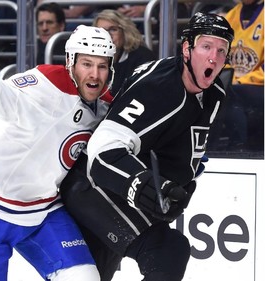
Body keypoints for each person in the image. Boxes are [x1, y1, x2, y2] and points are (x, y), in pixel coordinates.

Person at [0, 25, 116, 280]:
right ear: (71, 62)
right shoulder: (46, 85)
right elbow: (4, 96)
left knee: (84, 276)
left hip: (41, 209)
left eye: (102, 66)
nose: (94, 74)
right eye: (87, 64)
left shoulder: (105, 107)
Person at [60, 12, 234, 281]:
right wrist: (143, 187)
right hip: (94, 188)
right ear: (187, 48)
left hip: (118, 194)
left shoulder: (214, 95)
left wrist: (185, 175)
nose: (214, 57)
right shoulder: (160, 86)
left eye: (222, 50)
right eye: (206, 46)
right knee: (167, 251)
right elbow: (102, 153)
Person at [223, 0, 264, 150]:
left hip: (260, 84)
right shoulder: (231, 16)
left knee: (232, 93)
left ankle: (239, 147)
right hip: (236, 85)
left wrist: (241, 81)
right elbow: (222, 57)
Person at [93, 9, 157, 96]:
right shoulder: (89, 58)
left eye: (113, 29)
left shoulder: (143, 57)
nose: (108, 35)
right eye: (102, 31)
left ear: (125, 32)